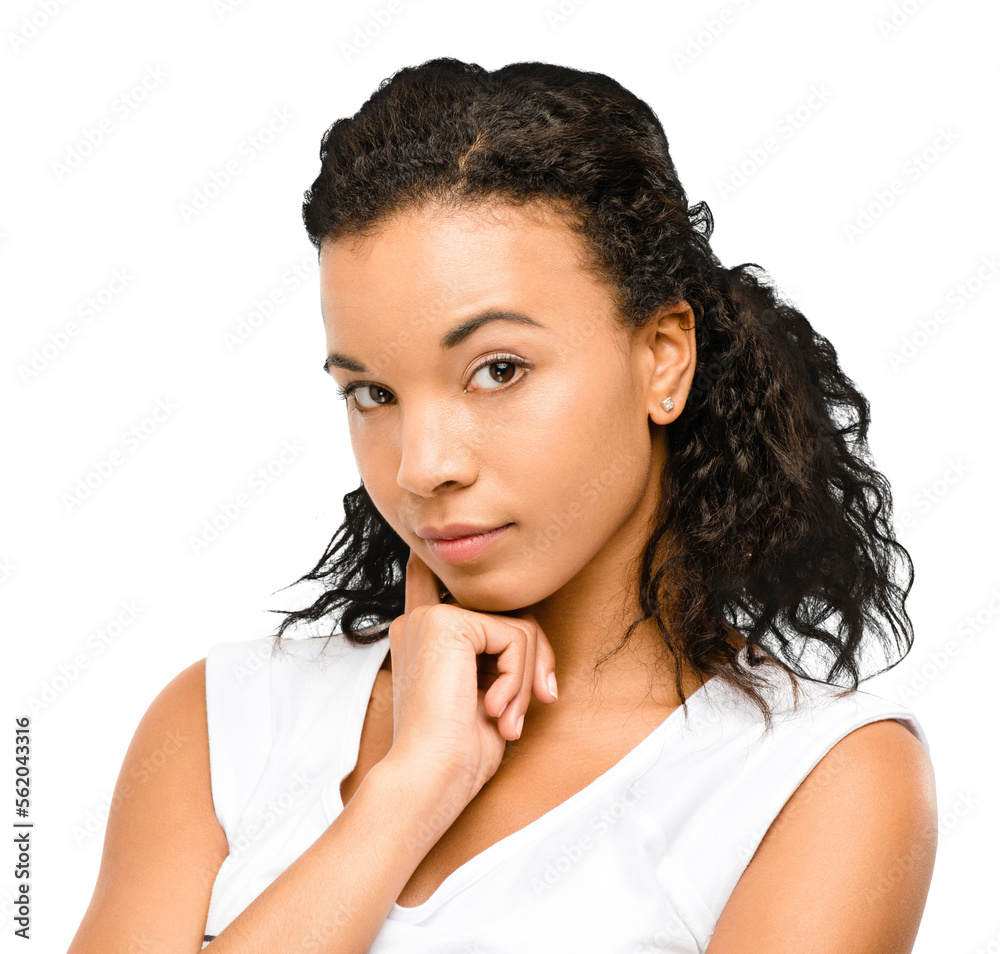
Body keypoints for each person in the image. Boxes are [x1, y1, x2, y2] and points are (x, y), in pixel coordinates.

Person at [68, 57, 937, 953]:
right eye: (371, 393)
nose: (422, 465)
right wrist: (412, 789)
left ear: (664, 357)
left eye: (498, 371)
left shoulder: (815, 782)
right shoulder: (226, 720)